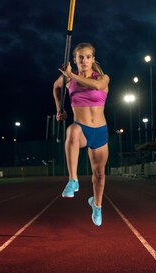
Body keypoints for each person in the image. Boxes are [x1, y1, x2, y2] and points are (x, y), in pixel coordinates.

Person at [53, 42, 110, 227]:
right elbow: (56, 88)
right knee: (71, 131)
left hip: (100, 132)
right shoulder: (68, 80)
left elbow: (95, 86)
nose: (84, 60)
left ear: (93, 59)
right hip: (82, 129)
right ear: (75, 60)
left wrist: (70, 75)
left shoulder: (103, 78)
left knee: (100, 175)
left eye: (87, 57)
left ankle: (97, 205)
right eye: (80, 57)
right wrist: (59, 109)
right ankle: (73, 180)